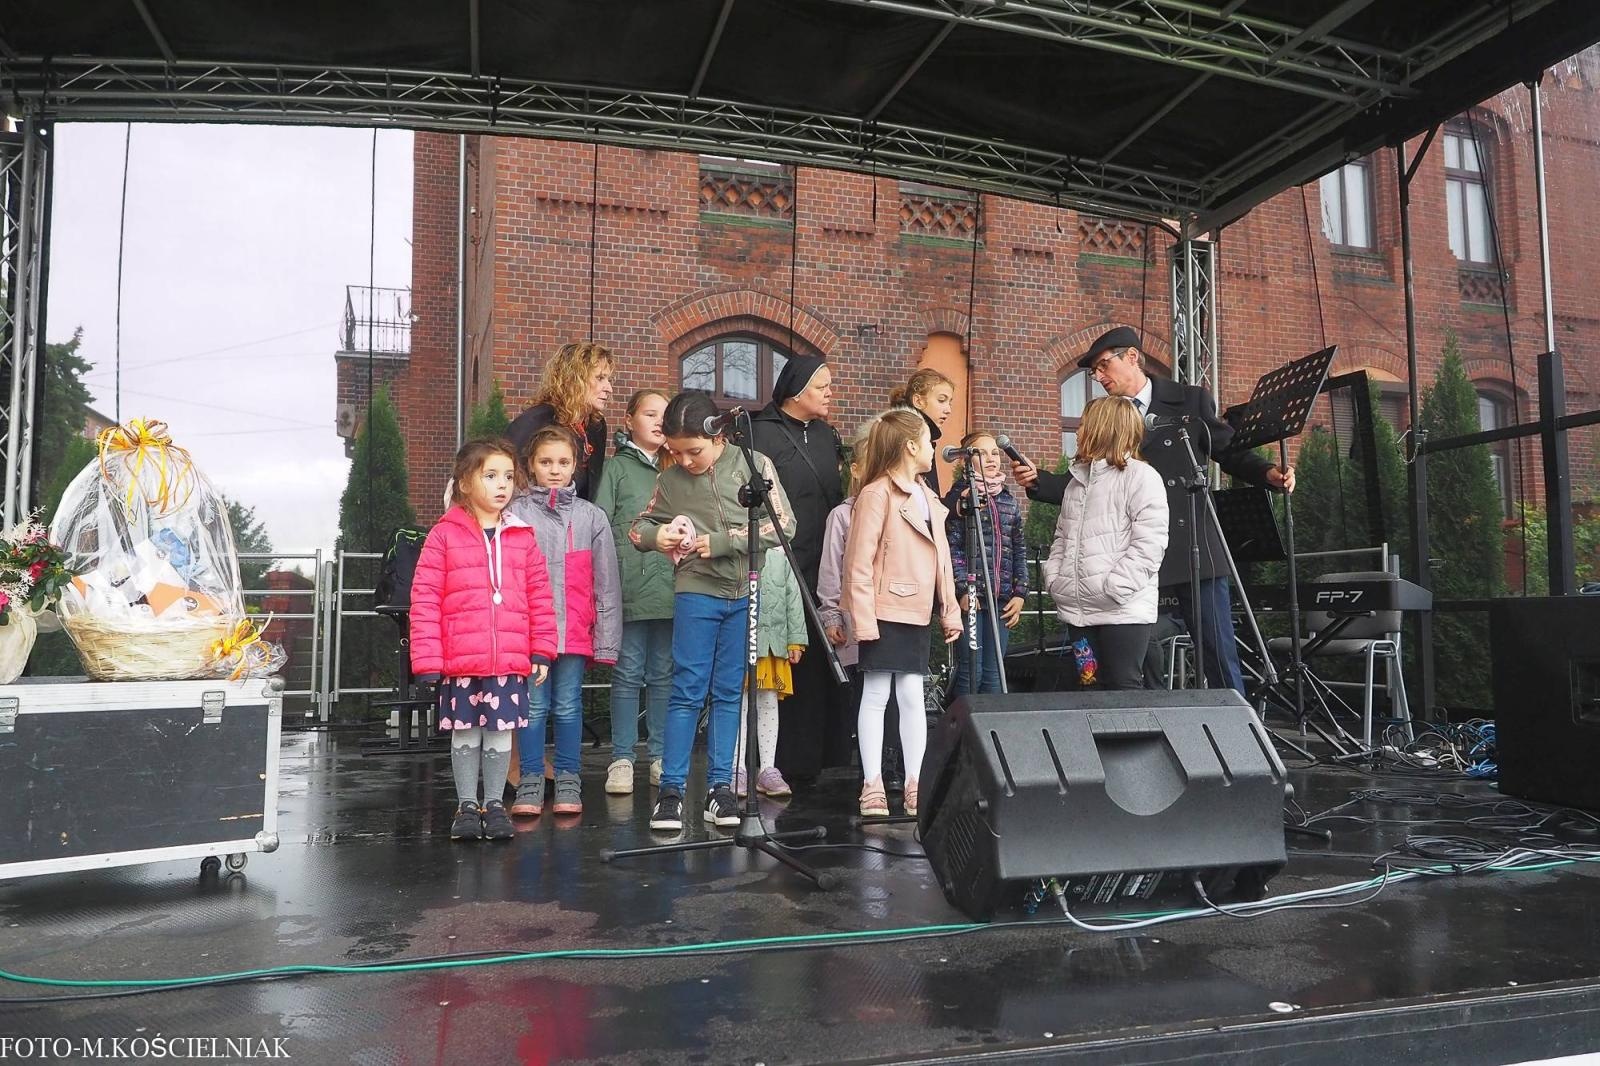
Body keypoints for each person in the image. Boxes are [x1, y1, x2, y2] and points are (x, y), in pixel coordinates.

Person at [1012, 326, 1295, 696]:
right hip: (1129, 556)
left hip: (1190, 544)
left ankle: (1238, 728)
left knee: (1216, 646)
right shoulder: (1106, 415)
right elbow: (1088, 484)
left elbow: (1226, 449)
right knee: (1136, 656)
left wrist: (1266, 472)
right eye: (1093, 372)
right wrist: (1038, 481)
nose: (1098, 377)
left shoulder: (1190, 401)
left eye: (1102, 366)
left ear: (1132, 357)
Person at [633, 391, 796, 832]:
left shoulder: (755, 465)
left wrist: (723, 543)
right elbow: (638, 528)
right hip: (696, 589)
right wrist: (660, 536)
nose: (684, 460)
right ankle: (671, 791)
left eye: (694, 451)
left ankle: (721, 790)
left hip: (746, 588)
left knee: (729, 691)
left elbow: (783, 525)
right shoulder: (671, 481)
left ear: (719, 434)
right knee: (688, 688)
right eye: (676, 452)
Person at [410, 438, 557, 841]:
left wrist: (541, 648)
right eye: (490, 475)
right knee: (465, 732)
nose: (502, 485)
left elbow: (539, 595)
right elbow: (424, 599)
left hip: (508, 659)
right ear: (463, 482)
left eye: (508, 476)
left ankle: (494, 803)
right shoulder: (443, 536)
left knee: (498, 732)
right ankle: (465, 806)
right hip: (460, 661)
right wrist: (427, 660)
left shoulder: (521, 536)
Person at [842, 409, 961, 818]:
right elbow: (857, 563)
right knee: (876, 694)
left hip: (916, 610)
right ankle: (872, 782)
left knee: (912, 695)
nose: (933, 449)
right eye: (929, 441)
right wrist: (863, 620)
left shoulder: (928, 497)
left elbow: (942, 559)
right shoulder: (876, 494)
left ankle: (915, 782)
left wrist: (950, 609)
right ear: (911, 446)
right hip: (884, 607)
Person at [506, 426, 621, 817]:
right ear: (531, 466)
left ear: (576, 465)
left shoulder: (592, 517)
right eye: (545, 462)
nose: (555, 470)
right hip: (529, 635)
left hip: (574, 630)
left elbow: (606, 585)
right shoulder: (515, 514)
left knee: (569, 705)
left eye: (563, 462)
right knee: (534, 707)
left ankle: (569, 776)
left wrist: (606, 640)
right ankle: (532, 778)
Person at [748, 354, 848, 787]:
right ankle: (778, 759)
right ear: (796, 390)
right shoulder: (759, 434)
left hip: (824, 564)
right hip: (779, 566)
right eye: (822, 386)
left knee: (822, 660)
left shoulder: (828, 436)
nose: (830, 393)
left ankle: (824, 756)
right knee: (784, 661)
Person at [1042, 398, 1170, 690]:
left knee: (1123, 688)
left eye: (1084, 423)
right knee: (1088, 685)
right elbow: (1061, 537)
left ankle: (1134, 739)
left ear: (1103, 428)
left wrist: (1116, 588)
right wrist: (1055, 579)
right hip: (1078, 613)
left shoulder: (1142, 477)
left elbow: (1150, 542)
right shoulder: (1076, 483)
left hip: (1122, 612)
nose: (1078, 430)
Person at [592, 388, 675, 795]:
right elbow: (601, 526)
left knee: (663, 674)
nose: (659, 422)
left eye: (664, 414)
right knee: (626, 674)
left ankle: (659, 754)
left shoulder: (678, 466)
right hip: (629, 586)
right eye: (649, 413)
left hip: (672, 585)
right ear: (628, 421)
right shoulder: (617, 470)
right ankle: (622, 757)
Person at [944, 431, 1027, 696]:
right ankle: (960, 731)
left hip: (1001, 598)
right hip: (972, 597)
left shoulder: (1008, 500)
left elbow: (1019, 549)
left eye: (994, 453)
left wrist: (1020, 592)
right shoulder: (959, 499)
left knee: (995, 673)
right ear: (966, 461)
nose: (991, 459)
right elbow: (952, 547)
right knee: (972, 671)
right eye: (981, 454)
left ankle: (989, 734)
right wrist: (961, 589)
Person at [734, 546, 806, 799]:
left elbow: (793, 596)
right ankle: (736, 769)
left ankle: (767, 768)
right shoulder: (737, 545)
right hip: (739, 642)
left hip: (773, 641)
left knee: (767, 702)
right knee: (737, 703)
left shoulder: (780, 553)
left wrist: (796, 639)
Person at [506, 341, 615, 500]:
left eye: (608, 379)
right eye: (600, 378)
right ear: (574, 380)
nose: (609, 388)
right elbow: (505, 476)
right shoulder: (535, 421)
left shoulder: (596, 427)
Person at [889, 367, 957, 494]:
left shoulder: (925, 435)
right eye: (941, 400)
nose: (948, 410)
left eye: (950, 403)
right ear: (918, 401)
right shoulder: (902, 436)